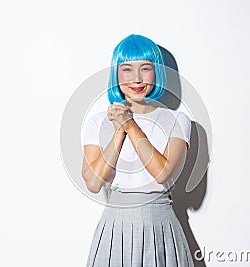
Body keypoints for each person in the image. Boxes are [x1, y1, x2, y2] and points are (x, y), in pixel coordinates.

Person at [82, 34, 194, 266]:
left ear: (156, 72)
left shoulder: (176, 119)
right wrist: (119, 130)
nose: (137, 78)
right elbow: (93, 183)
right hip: (115, 227)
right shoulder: (96, 122)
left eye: (145, 68)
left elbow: (163, 174)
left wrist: (129, 124)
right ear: (116, 73)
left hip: (160, 223)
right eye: (127, 69)